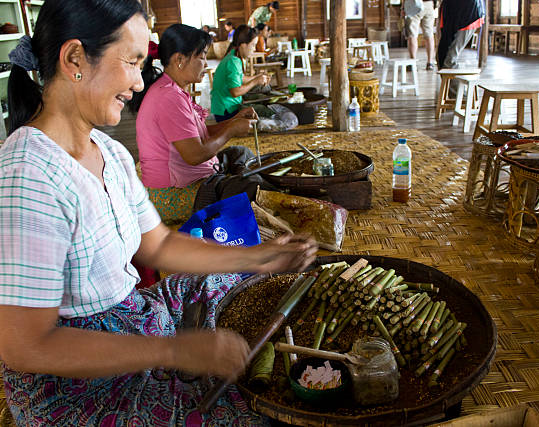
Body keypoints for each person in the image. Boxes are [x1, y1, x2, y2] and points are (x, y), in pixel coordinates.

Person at [0, 1, 318, 426]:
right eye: (131, 62)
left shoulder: (109, 152)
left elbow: (159, 243)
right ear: (75, 58)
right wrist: (172, 350)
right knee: (247, 414)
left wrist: (257, 258)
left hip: (132, 319)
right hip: (76, 386)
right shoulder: (28, 175)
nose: (137, 81)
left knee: (241, 285)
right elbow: (25, 345)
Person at [130, 24, 256, 189]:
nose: (205, 64)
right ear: (180, 60)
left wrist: (234, 120)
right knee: (248, 187)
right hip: (173, 191)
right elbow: (195, 155)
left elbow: (195, 136)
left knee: (241, 154)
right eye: (202, 57)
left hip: (195, 175)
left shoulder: (173, 90)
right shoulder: (168, 97)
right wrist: (231, 130)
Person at [211, 25, 269, 122]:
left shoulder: (236, 54)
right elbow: (235, 92)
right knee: (265, 111)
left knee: (262, 97)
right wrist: (255, 81)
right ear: (243, 45)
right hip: (226, 112)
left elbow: (239, 78)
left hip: (228, 107)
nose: (254, 49)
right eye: (253, 45)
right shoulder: (233, 61)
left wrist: (258, 77)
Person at [436, 0, 484, 70]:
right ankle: (449, 80)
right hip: (451, 13)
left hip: (467, 15)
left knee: (449, 60)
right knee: (442, 57)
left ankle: (458, 80)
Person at [403, 0, 437, 70]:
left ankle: (413, 63)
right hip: (429, 4)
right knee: (429, 34)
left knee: (412, 35)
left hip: (413, 4)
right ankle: (430, 62)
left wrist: (403, 7)